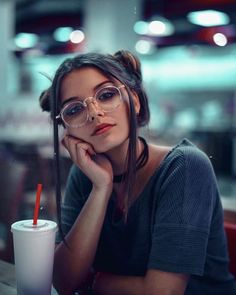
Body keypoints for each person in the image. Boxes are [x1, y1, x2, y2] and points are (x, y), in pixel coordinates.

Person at [39, 50, 236, 295]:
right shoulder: (86, 175)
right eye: (73, 110)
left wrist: (91, 282)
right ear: (67, 130)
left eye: (107, 94)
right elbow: (64, 282)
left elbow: (162, 292)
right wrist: (101, 188)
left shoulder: (184, 166)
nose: (94, 113)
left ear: (135, 100)